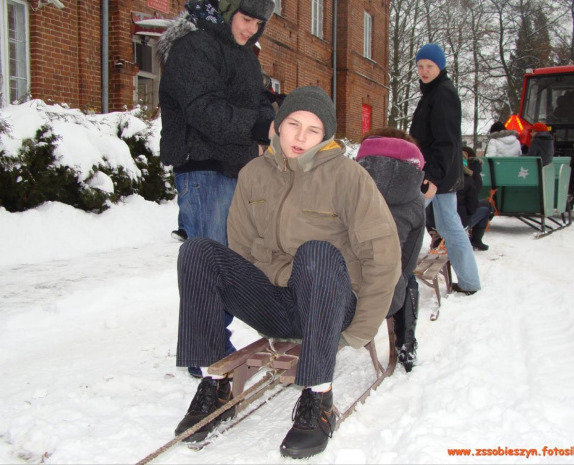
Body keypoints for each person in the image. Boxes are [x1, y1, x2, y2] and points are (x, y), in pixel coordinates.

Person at [173, 86, 401, 458]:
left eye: (313, 130)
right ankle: (216, 382)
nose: (300, 136)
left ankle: (319, 396)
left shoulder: (348, 177)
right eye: (293, 124)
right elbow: (241, 250)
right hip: (276, 302)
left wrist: (358, 331)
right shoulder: (253, 175)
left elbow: (383, 256)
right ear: (277, 127)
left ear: (325, 136)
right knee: (198, 251)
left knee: (317, 253)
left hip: (330, 304)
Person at [158, 0, 276, 375]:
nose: (250, 30)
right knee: (209, 261)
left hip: (234, 167)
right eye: (245, 19)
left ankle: (207, 346)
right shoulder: (193, 46)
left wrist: (276, 118)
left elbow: (258, 103)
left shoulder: (241, 54)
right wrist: (258, 131)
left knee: (230, 259)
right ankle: (208, 352)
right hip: (203, 169)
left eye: (258, 24)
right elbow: (207, 112)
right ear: (226, 11)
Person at [409, 43, 481, 296]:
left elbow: (446, 141)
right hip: (438, 174)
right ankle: (470, 281)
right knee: (448, 225)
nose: (424, 71)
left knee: (408, 221)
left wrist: (434, 177)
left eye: (430, 66)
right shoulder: (432, 93)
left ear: (441, 67)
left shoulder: (442, 94)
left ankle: (397, 279)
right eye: (420, 66)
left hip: (435, 175)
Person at [355, 128, 425, 373]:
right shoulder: (416, 199)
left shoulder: (346, 185)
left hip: (340, 293)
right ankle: (406, 344)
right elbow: (408, 263)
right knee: (408, 277)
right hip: (384, 299)